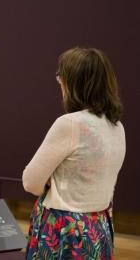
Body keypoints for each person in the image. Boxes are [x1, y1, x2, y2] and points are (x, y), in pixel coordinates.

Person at [22, 47, 125, 259]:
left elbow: (30, 182)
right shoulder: (117, 126)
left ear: (74, 83)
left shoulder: (70, 124)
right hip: (100, 228)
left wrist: (50, 181)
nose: (59, 83)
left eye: (61, 77)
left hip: (65, 231)